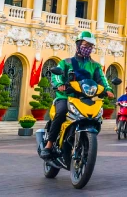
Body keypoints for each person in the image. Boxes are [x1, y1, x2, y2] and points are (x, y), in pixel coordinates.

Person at [40, 31, 113, 159]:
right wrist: (59, 85)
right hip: (66, 96)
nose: (88, 48)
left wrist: (107, 89)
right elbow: (57, 75)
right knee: (61, 112)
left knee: (95, 117)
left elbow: (102, 79)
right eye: (86, 45)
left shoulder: (95, 65)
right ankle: (49, 145)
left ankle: (86, 143)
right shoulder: (66, 62)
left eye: (91, 46)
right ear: (78, 45)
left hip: (85, 98)